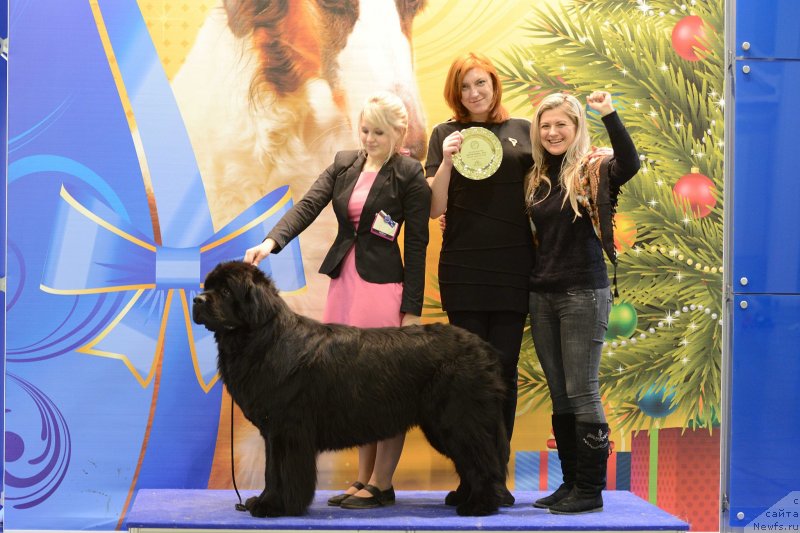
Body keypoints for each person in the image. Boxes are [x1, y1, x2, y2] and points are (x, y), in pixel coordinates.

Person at [244, 91, 431, 510]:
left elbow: (417, 245)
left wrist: (412, 311)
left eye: (378, 133)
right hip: (344, 285)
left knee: (388, 387)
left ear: (398, 133)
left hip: (382, 289)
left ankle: (382, 483)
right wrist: (270, 243)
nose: (369, 139)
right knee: (353, 388)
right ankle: (362, 478)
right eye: (364, 130)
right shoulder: (345, 163)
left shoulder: (409, 173)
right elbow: (308, 205)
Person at [525, 91, 640, 514]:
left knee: (582, 390)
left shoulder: (594, 168)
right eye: (545, 125)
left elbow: (630, 163)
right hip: (543, 295)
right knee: (560, 393)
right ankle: (571, 482)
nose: (553, 132)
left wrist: (609, 112)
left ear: (576, 128)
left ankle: (590, 490)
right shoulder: (536, 177)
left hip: (583, 293)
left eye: (561, 124)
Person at [426, 53, 534, 503]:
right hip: (464, 270)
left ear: (494, 85)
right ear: (456, 93)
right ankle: (472, 477)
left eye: (481, 84)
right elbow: (434, 208)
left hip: (513, 268)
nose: (474, 93)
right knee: (468, 377)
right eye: (465, 86)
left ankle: (496, 478)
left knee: (503, 372)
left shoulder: (524, 130)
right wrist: (447, 162)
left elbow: (548, 186)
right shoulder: (443, 134)